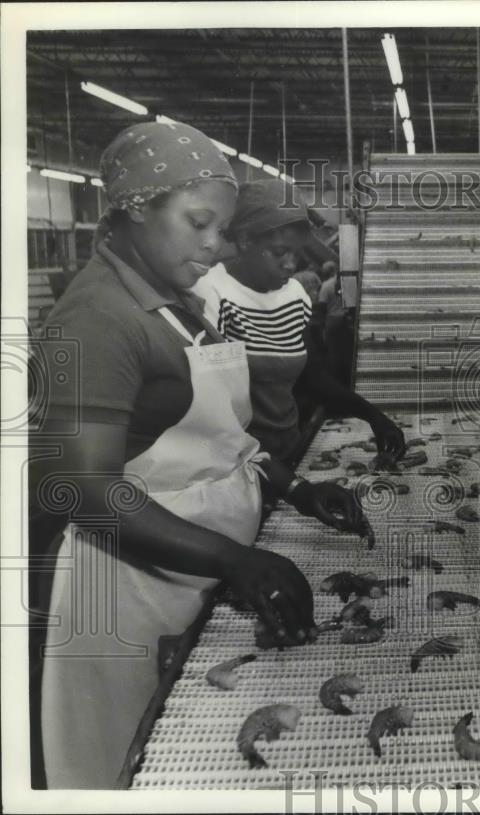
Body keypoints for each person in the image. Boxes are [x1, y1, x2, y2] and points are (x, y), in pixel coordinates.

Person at [30, 122, 367, 788]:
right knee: (136, 763)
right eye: (198, 223)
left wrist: (294, 489)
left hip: (193, 570)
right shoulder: (98, 318)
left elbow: (223, 437)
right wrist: (231, 557)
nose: (214, 245)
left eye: (222, 227)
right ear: (135, 209)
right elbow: (82, 488)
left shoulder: (177, 306)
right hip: (130, 587)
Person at [191, 178, 403, 464]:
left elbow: (312, 376)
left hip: (290, 449)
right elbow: (208, 411)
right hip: (236, 462)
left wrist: (371, 414)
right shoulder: (212, 295)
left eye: (296, 253)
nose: (291, 265)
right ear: (245, 241)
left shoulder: (294, 295)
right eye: (279, 253)